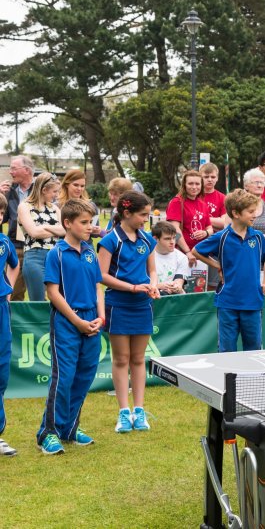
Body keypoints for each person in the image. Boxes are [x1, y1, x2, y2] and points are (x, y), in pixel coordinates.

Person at [36, 199, 104, 455]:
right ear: (67, 223)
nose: (89, 227)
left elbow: (98, 287)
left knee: (84, 377)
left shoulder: (90, 252)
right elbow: (52, 293)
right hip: (67, 322)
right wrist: (77, 322)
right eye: (84, 222)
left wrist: (100, 317)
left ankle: (70, 428)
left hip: (91, 321)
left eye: (91, 222)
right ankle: (48, 432)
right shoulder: (56, 254)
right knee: (63, 378)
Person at [97, 191, 159, 433]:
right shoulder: (110, 240)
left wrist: (153, 285)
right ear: (126, 213)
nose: (145, 219)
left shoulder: (147, 240)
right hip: (118, 304)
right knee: (121, 359)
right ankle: (124, 412)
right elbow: (102, 276)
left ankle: (139, 411)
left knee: (138, 359)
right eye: (142, 215)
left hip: (143, 304)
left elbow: (152, 271)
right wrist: (132, 287)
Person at [193, 189, 265, 352]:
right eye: (250, 212)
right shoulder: (221, 237)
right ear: (236, 213)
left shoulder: (258, 237)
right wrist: (217, 265)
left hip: (253, 302)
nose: (254, 215)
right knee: (227, 350)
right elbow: (196, 251)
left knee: (254, 349)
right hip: (227, 303)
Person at [17, 173, 66, 301]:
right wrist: (55, 229)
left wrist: (44, 227)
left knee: (61, 299)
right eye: (54, 191)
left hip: (55, 257)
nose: (57, 195)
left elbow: (64, 230)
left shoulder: (54, 208)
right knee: (38, 301)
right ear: (44, 190)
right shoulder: (24, 206)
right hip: (35, 258)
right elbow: (34, 233)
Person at [0, 193, 20, 456]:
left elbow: (14, 266)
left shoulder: (4, 242)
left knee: (1, 370)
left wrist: (9, 288)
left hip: (1, 309)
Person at [0, 155, 34, 301]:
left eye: (14, 168)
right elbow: (2, 219)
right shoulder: (8, 191)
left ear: (26, 170)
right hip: (16, 246)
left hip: (38, 247)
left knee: (40, 294)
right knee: (14, 294)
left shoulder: (42, 188)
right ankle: (10, 316)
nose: (10, 172)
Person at [166, 170, 213, 268]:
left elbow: (210, 228)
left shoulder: (202, 204)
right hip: (182, 254)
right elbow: (175, 230)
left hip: (200, 254)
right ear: (184, 185)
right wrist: (187, 252)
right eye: (190, 183)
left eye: (197, 184)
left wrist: (205, 233)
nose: (194, 187)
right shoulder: (177, 202)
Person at [200, 162, 227, 291]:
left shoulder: (222, 198)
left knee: (213, 284)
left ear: (217, 178)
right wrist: (214, 222)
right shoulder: (194, 195)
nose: (209, 179)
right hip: (194, 246)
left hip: (214, 247)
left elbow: (224, 223)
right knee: (196, 285)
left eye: (212, 176)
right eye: (206, 177)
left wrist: (200, 218)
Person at [56, 169, 102, 237]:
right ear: (67, 184)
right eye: (76, 185)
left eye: (82, 186)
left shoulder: (91, 205)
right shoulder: (56, 205)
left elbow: (95, 234)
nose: (79, 189)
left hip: (85, 243)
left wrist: (96, 231)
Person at [242, 168, 265, 245]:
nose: (259, 185)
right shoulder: (239, 205)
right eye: (256, 182)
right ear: (246, 186)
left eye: (262, 182)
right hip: (244, 249)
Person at [152, 221, 189, 295]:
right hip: (152, 294)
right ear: (155, 239)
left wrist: (176, 287)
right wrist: (159, 286)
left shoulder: (181, 257)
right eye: (167, 239)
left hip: (174, 296)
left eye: (174, 238)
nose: (172, 242)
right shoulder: (147, 255)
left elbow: (179, 281)